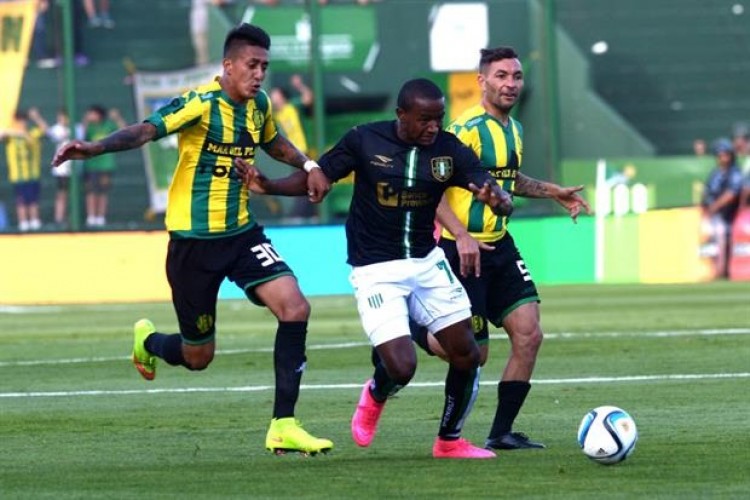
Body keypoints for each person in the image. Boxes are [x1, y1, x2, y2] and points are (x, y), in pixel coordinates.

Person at [52, 23, 333, 455]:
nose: (259, 74)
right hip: (193, 244)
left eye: (264, 66)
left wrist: (309, 164)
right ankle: (148, 342)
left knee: (295, 307)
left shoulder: (258, 106)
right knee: (198, 357)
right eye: (252, 65)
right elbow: (147, 130)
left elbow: (273, 141)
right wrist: (95, 148)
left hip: (241, 234)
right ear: (228, 65)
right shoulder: (200, 103)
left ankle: (283, 424)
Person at [238, 78, 514, 459]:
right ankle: (375, 394)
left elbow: (489, 186)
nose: (433, 127)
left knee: (468, 353)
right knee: (402, 367)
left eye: (438, 118)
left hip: (427, 261)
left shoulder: (448, 149)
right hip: (375, 267)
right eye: (424, 119)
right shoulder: (364, 140)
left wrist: (498, 199)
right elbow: (319, 175)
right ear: (401, 115)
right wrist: (269, 186)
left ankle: (449, 441)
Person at [408, 46, 591, 451]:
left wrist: (553, 191)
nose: (511, 84)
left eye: (517, 76)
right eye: (502, 76)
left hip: (500, 246)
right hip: (462, 251)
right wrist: (462, 234)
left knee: (529, 334)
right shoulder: (464, 130)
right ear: (482, 81)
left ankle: (502, 432)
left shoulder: (514, 129)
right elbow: (429, 190)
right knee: (473, 353)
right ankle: (415, 326)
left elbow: (509, 179)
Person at [269, 74, 316, 221]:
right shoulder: (276, 115)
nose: (273, 98)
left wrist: (299, 86)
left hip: (305, 151)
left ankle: (300, 215)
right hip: (293, 155)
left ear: (282, 96)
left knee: (305, 181)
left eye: (275, 95)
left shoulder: (292, 107)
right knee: (303, 181)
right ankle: (307, 214)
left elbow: (308, 98)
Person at [701, 138, 744, 278]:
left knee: (721, 233)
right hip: (714, 214)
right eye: (720, 155)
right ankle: (711, 270)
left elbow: (732, 194)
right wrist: (706, 206)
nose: (723, 158)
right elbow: (707, 191)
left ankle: (722, 270)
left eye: (725, 154)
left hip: (729, 215)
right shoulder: (716, 173)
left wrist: (715, 206)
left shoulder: (734, 173)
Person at [0, 109, 47, 232]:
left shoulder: (32, 133)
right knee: (21, 200)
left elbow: (45, 130)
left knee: (33, 199)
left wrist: (36, 117)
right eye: (19, 121)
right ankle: (23, 222)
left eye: (23, 121)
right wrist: (18, 133)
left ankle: (34, 220)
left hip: (33, 174)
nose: (21, 123)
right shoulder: (11, 136)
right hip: (18, 175)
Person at [80, 105, 125, 227]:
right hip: (91, 165)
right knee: (90, 191)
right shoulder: (89, 126)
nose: (90, 116)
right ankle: (91, 217)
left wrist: (117, 118)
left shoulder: (109, 125)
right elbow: (80, 135)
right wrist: (85, 121)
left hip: (106, 165)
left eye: (92, 113)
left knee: (103, 192)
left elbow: (124, 131)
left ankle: (100, 217)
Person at [45, 110, 77, 227]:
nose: (62, 119)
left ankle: (72, 218)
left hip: (74, 169)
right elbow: (50, 134)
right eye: (60, 117)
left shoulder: (75, 128)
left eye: (64, 117)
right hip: (62, 169)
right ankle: (59, 218)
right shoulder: (57, 129)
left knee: (73, 194)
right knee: (62, 194)